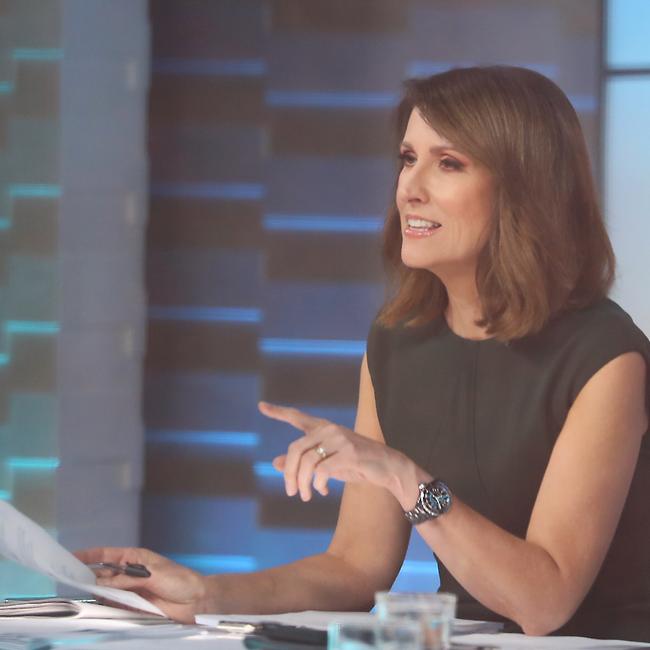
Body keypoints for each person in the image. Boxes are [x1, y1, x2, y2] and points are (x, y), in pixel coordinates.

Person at [76, 66, 649, 641]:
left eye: (449, 163)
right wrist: (206, 594)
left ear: (525, 189)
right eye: (407, 158)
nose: (410, 187)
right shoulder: (397, 339)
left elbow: (544, 602)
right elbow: (355, 566)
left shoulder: (607, 356)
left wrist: (404, 478)